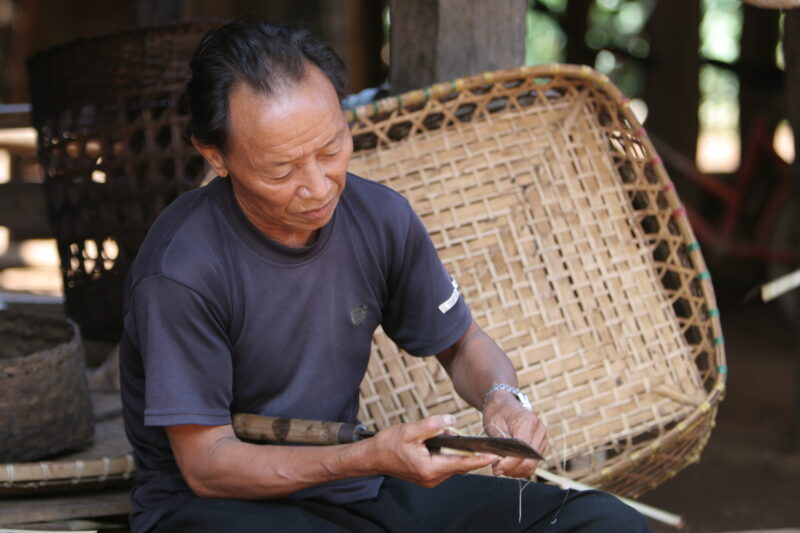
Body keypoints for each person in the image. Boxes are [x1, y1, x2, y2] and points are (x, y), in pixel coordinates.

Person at [119, 15, 651, 533]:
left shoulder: (380, 219)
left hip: (357, 492)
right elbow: (207, 466)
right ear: (216, 157)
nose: (320, 185)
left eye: (331, 149)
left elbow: (462, 343)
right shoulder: (182, 269)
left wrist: (502, 398)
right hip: (218, 510)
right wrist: (366, 456)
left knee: (605, 522)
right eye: (281, 170)